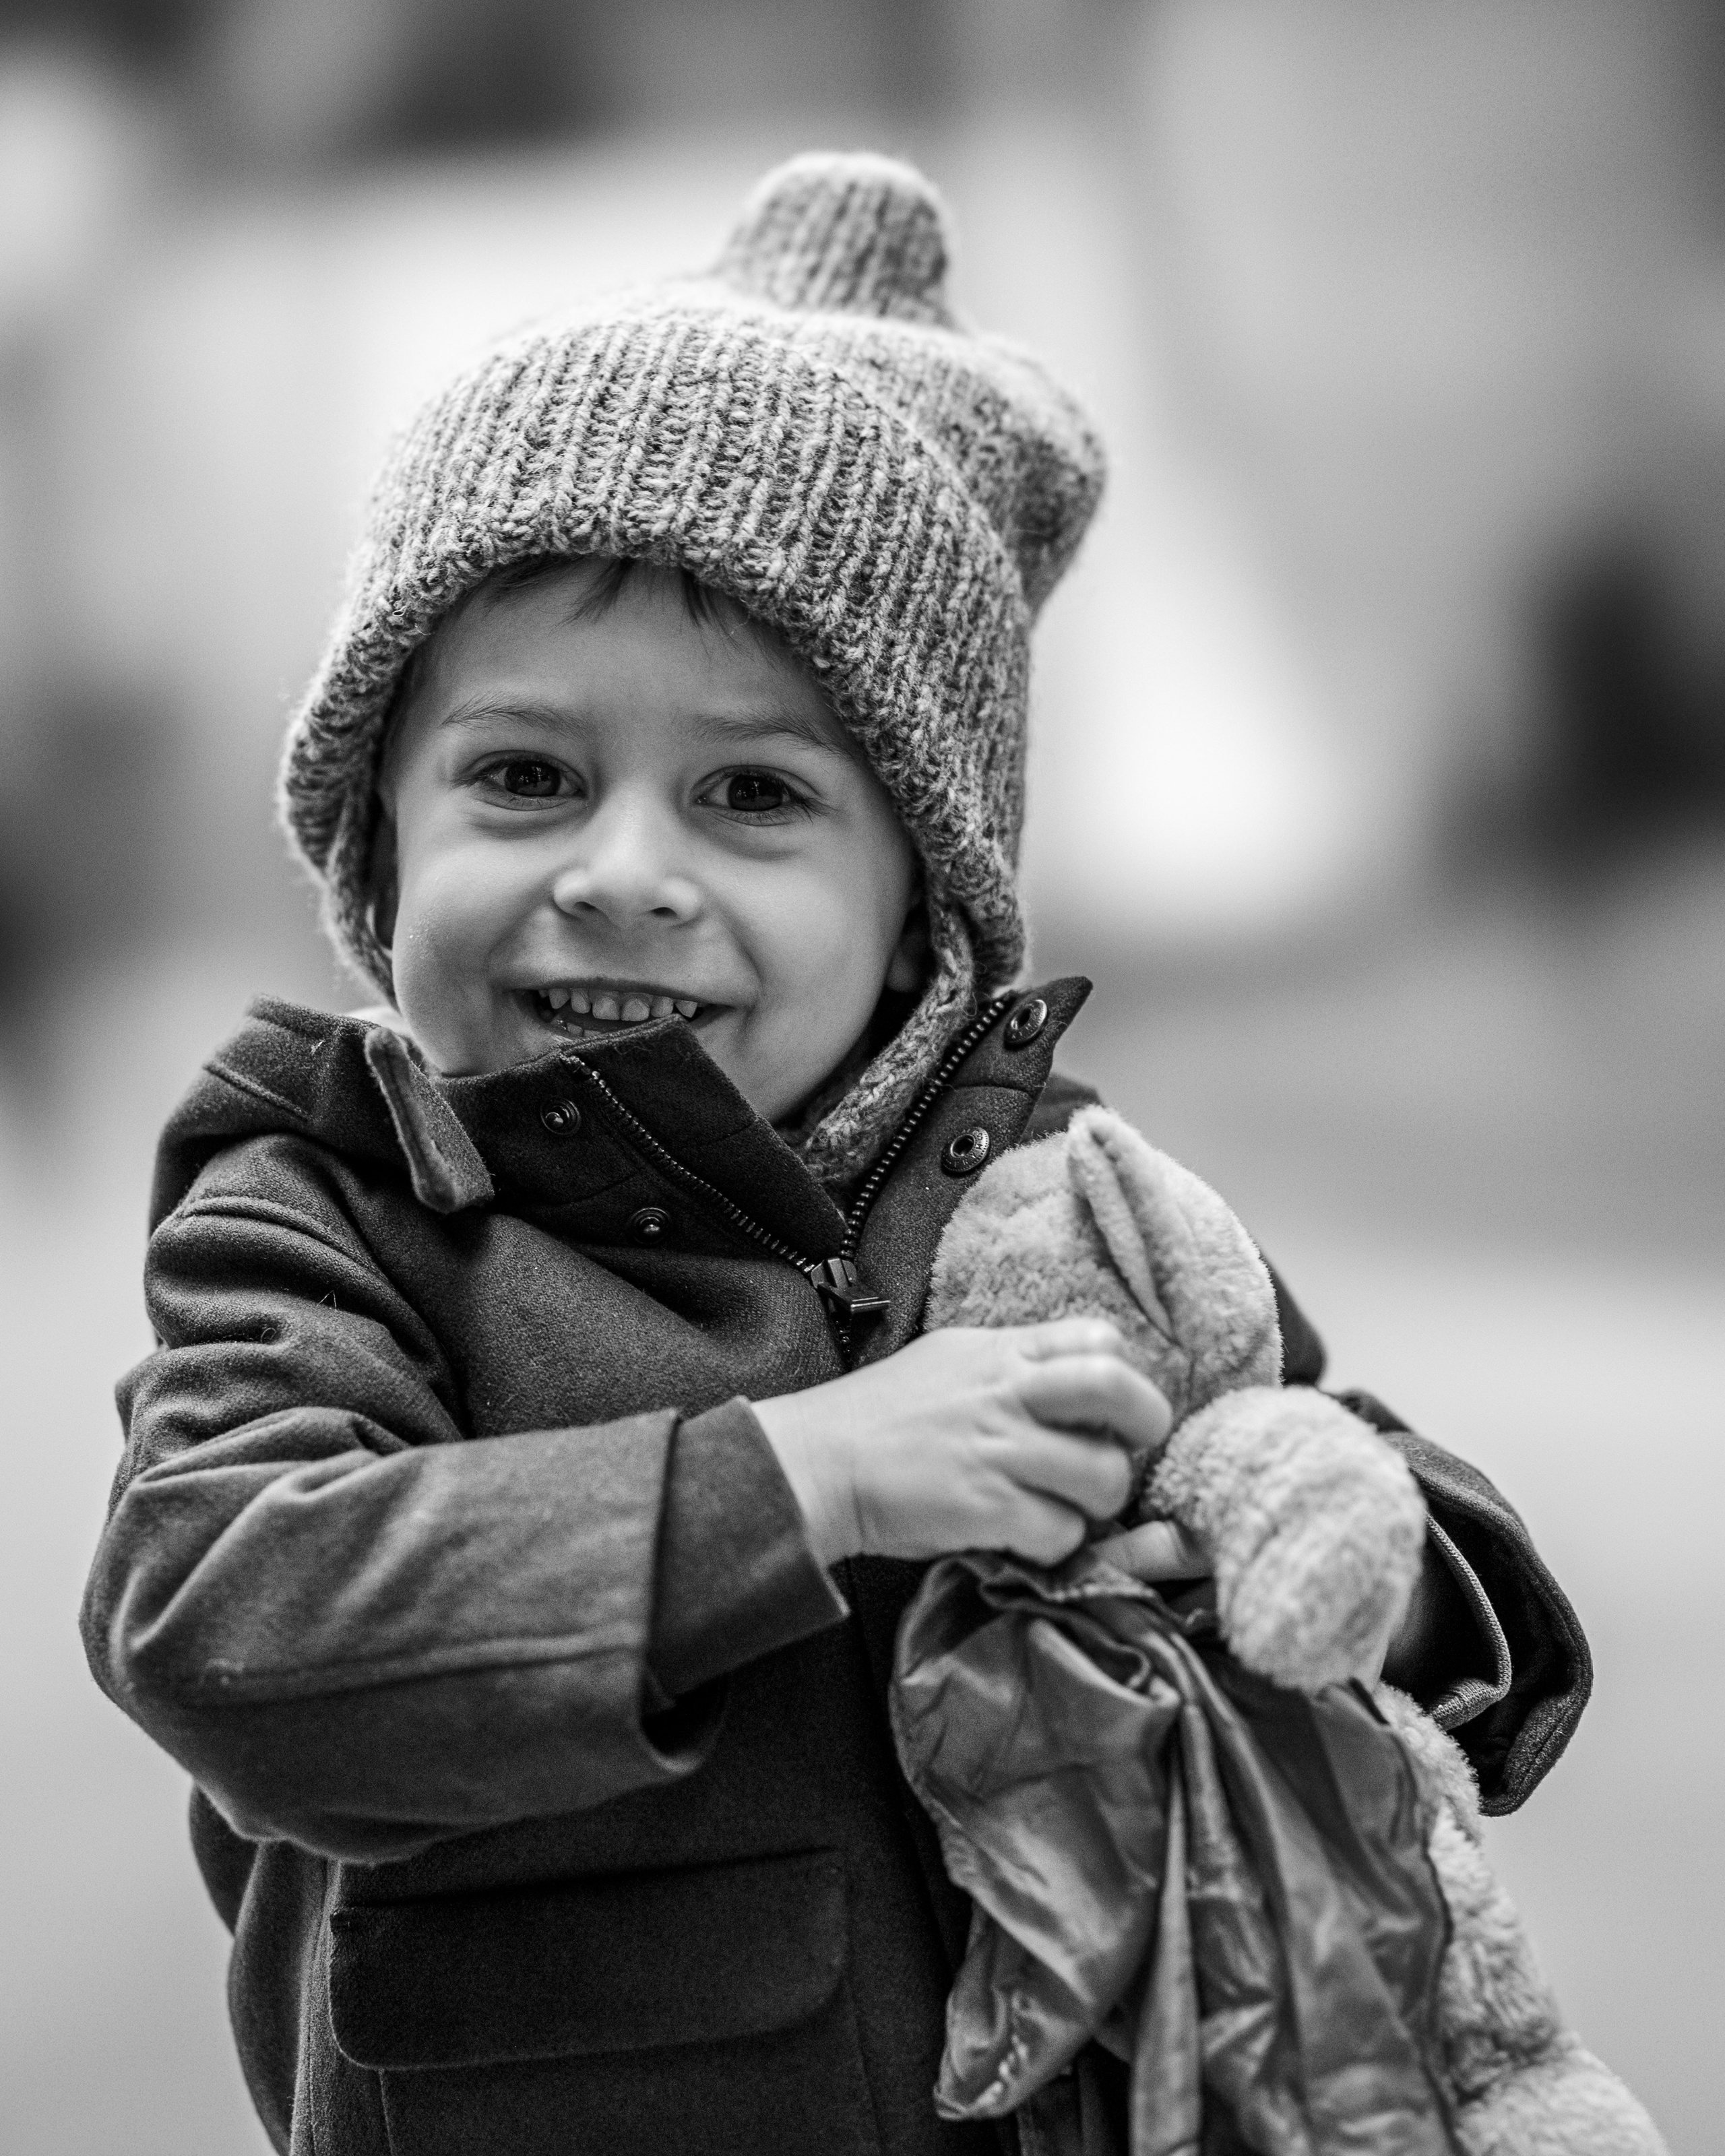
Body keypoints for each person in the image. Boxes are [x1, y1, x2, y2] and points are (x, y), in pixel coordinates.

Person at [81, 154, 1588, 2156]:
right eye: (526, 776)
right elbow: (224, 1620)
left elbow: (1384, 1509)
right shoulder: (333, 1207)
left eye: (752, 795)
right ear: (381, 832)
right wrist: (813, 1478)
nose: (624, 873)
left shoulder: (1041, 1192)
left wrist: (1345, 1575)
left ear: (920, 907)